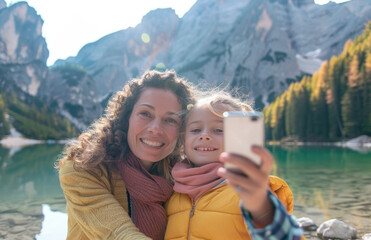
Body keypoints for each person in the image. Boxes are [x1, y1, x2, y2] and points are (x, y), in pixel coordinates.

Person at [58, 70, 196, 240]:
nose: (155, 128)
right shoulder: (82, 169)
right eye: (145, 113)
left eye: (170, 120)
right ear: (126, 117)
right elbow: (118, 234)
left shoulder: (183, 177)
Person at [165, 91, 304, 240]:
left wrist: (261, 206)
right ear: (183, 139)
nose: (204, 135)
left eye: (218, 130)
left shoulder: (251, 190)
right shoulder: (172, 191)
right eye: (195, 130)